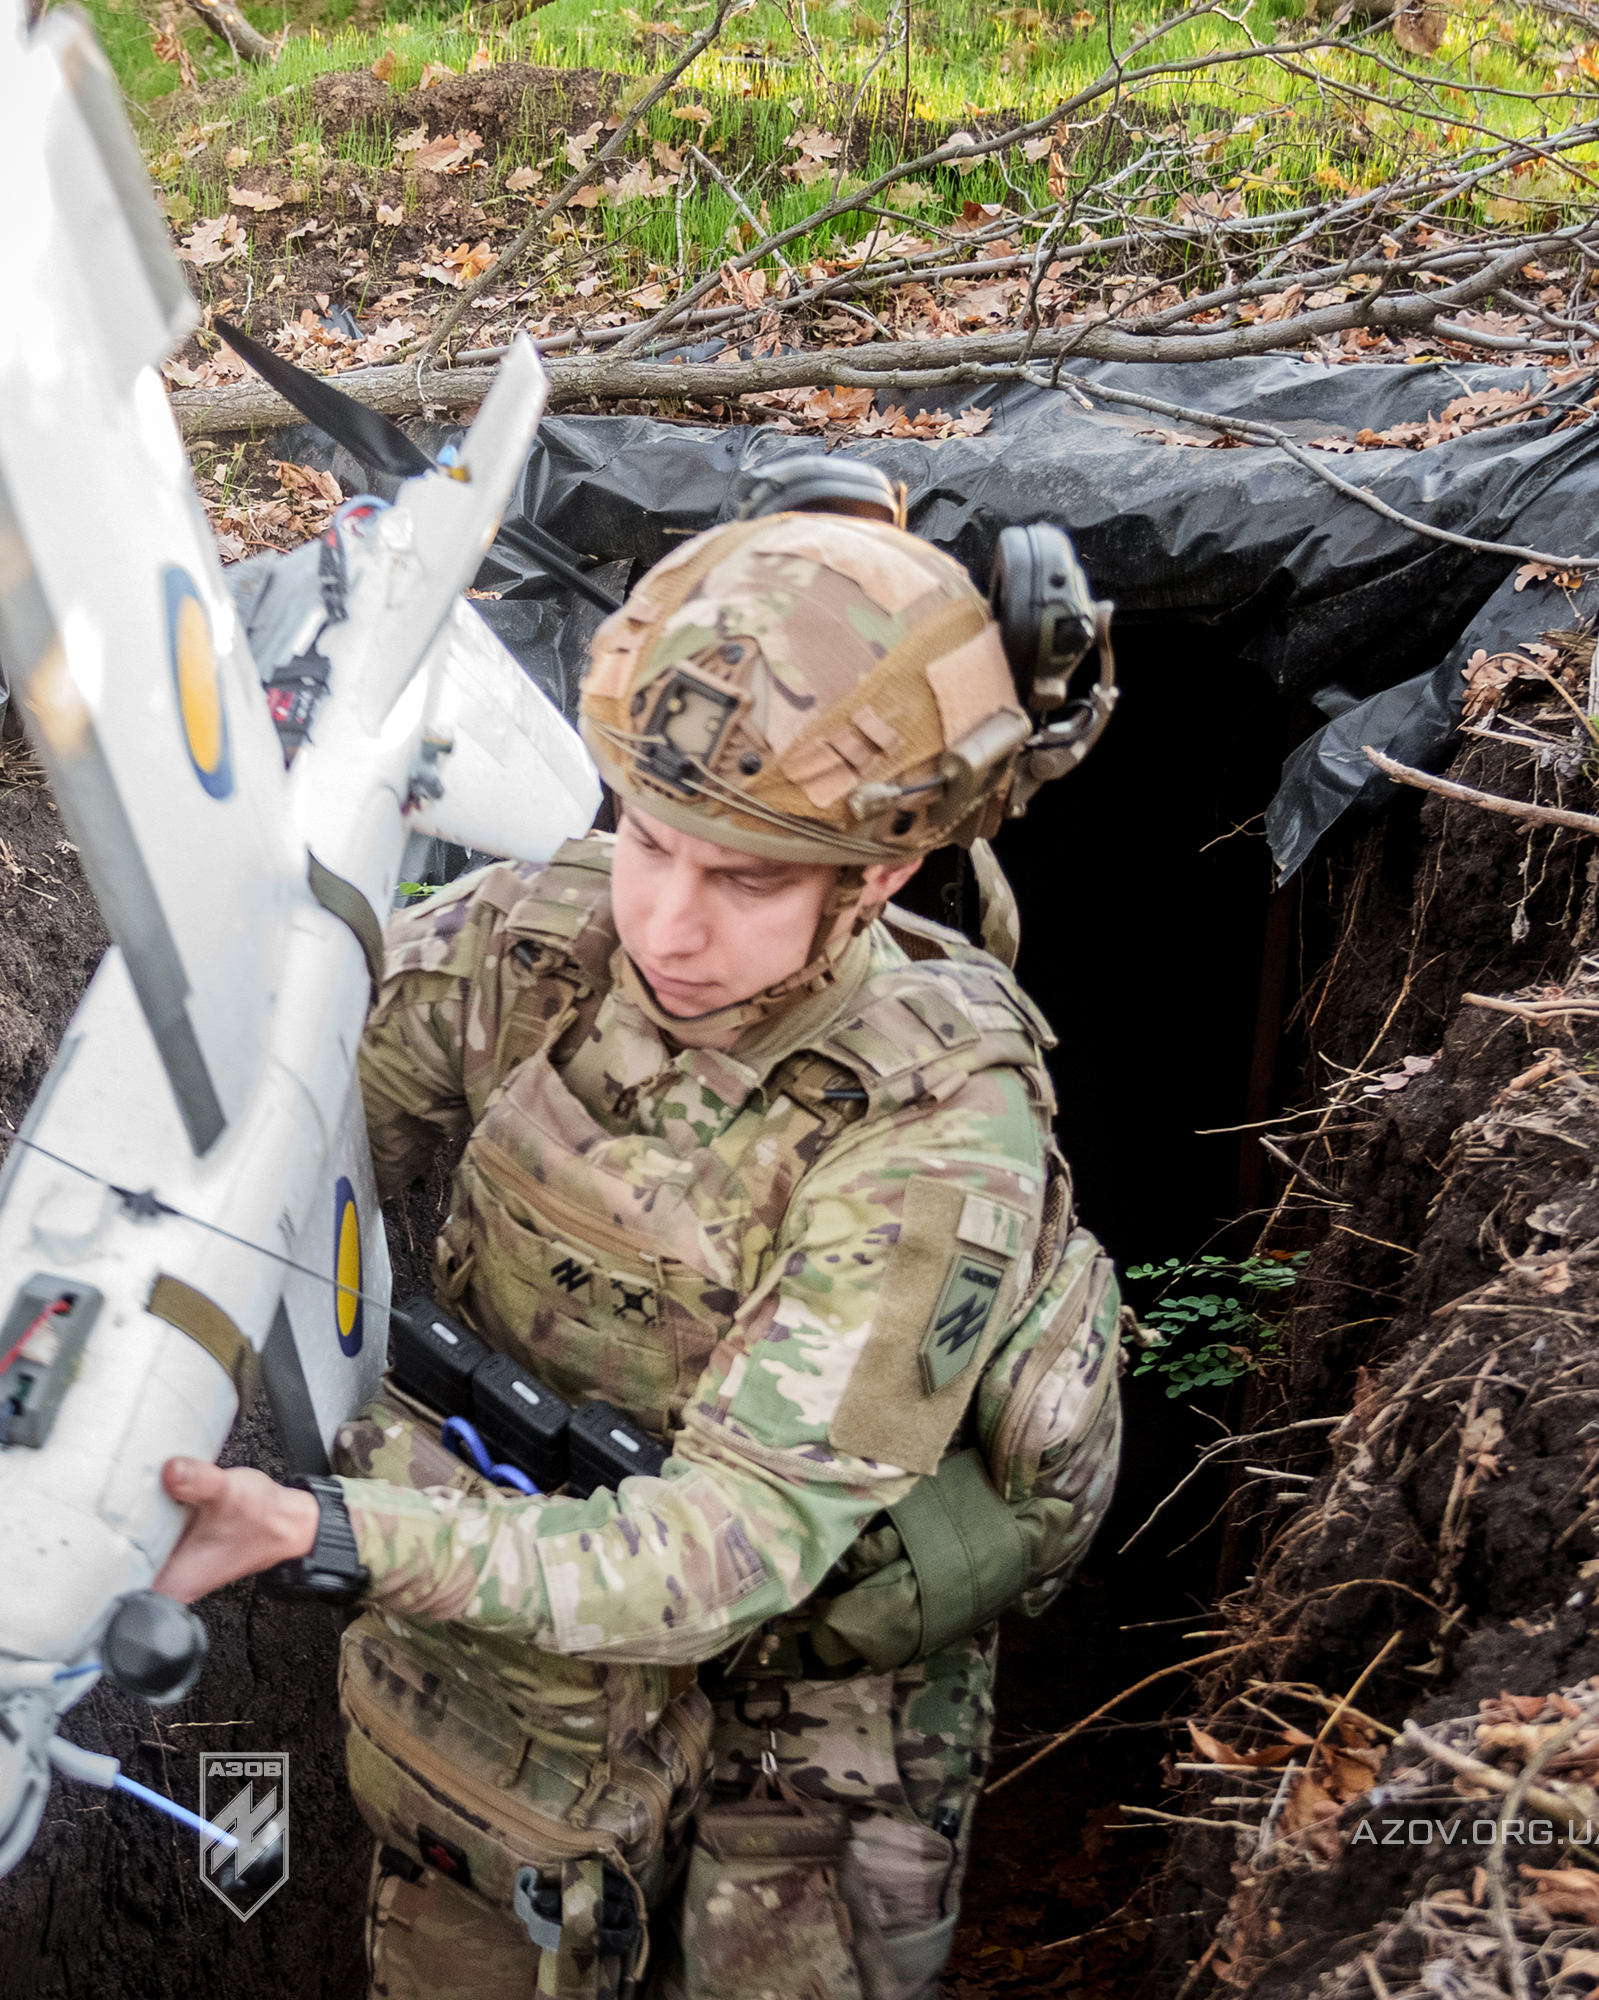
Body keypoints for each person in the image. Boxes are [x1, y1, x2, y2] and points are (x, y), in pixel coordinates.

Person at [151, 502, 1128, 2000]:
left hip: (819, 1654)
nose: (668, 922)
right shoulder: (534, 950)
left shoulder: (932, 1139)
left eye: (745, 882)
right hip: (545, 1556)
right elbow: (258, 1127)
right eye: (651, 844)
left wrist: (331, 1530)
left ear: (873, 882)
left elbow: (726, 1553)